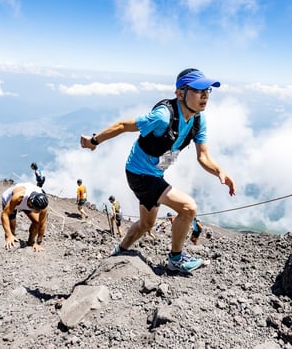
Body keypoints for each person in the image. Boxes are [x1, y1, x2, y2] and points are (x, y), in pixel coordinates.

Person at [80, 68, 236, 273]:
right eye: (198, 90)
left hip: (153, 174)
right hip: (140, 174)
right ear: (180, 93)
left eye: (207, 90)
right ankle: (176, 259)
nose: (205, 95)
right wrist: (94, 141)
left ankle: (119, 251)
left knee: (146, 225)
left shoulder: (198, 120)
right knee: (188, 208)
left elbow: (203, 156)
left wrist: (220, 172)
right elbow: (123, 125)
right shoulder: (163, 116)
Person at [0, 183, 49, 252]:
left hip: (26, 204)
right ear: (30, 202)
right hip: (11, 201)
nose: (37, 212)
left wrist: (38, 243)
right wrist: (9, 235)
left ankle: (31, 242)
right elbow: (4, 215)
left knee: (37, 222)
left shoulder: (43, 206)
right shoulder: (19, 196)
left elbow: (42, 224)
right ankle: (9, 243)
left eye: (38, 211)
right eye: (35, 210)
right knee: (12, 228)